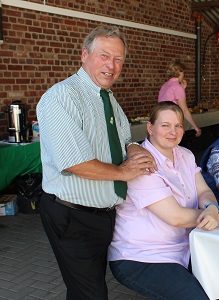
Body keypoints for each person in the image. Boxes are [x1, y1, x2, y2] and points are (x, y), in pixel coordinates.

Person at [37, 26, 156, 299]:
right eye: (104, 56)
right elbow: (74, 163)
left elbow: (125, 135)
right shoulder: (61, 97)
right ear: (84, 55)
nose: (111, 66)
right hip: (73, 215)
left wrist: (135, 149)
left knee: (83, 290)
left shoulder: (108, 98)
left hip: (102, 215)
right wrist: (123, 172)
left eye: (118, 59)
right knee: (91, 293)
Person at [108, 102, 219, 299]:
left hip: (185, 248)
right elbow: (176, 217)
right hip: (142, 257)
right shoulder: (142, 164)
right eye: (165, 125)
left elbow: (204, 190)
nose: (173, 131)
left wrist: (212, 207)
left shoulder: (185, 155)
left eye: (178, 125)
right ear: (150, 128)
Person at [158, 61, 202, 137]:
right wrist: (195, 127)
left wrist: (182, 89)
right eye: (183, 72)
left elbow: (171, 100)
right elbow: (184, 110)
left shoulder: (165, 85)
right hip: (172, 123)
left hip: (161, 120)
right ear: (180, 72)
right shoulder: (177, 87)